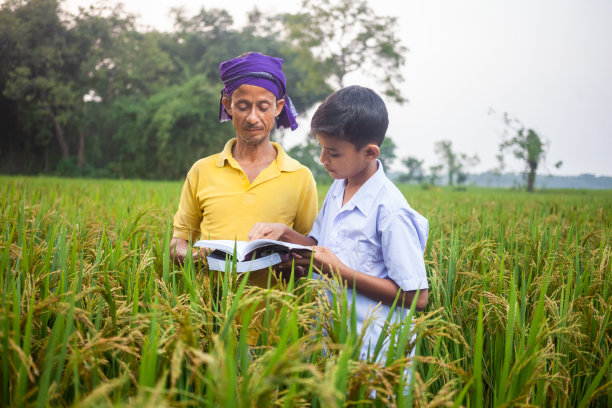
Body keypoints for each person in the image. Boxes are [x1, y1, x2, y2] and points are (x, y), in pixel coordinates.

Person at [248, 85, 429, 365]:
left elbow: (416, 297)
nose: (323, 160)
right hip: (331, 342)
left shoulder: (391, 211)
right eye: (322, 149)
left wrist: (339, 272)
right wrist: (287, 235)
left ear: (369, 153)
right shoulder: (338, 188)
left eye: (333, 153)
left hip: (373, 355)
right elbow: (320, 246)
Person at [170, 52, 318, 267]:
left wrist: (293, 262)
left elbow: (312, 248)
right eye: (243, 106)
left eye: (263, 107)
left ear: (278, 107)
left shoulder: (300, 176)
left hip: (273, 300)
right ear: (228, 105)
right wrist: (198, 258)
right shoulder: (201, 170)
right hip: (207, 299)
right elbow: (178, 244)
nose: (252, 117)